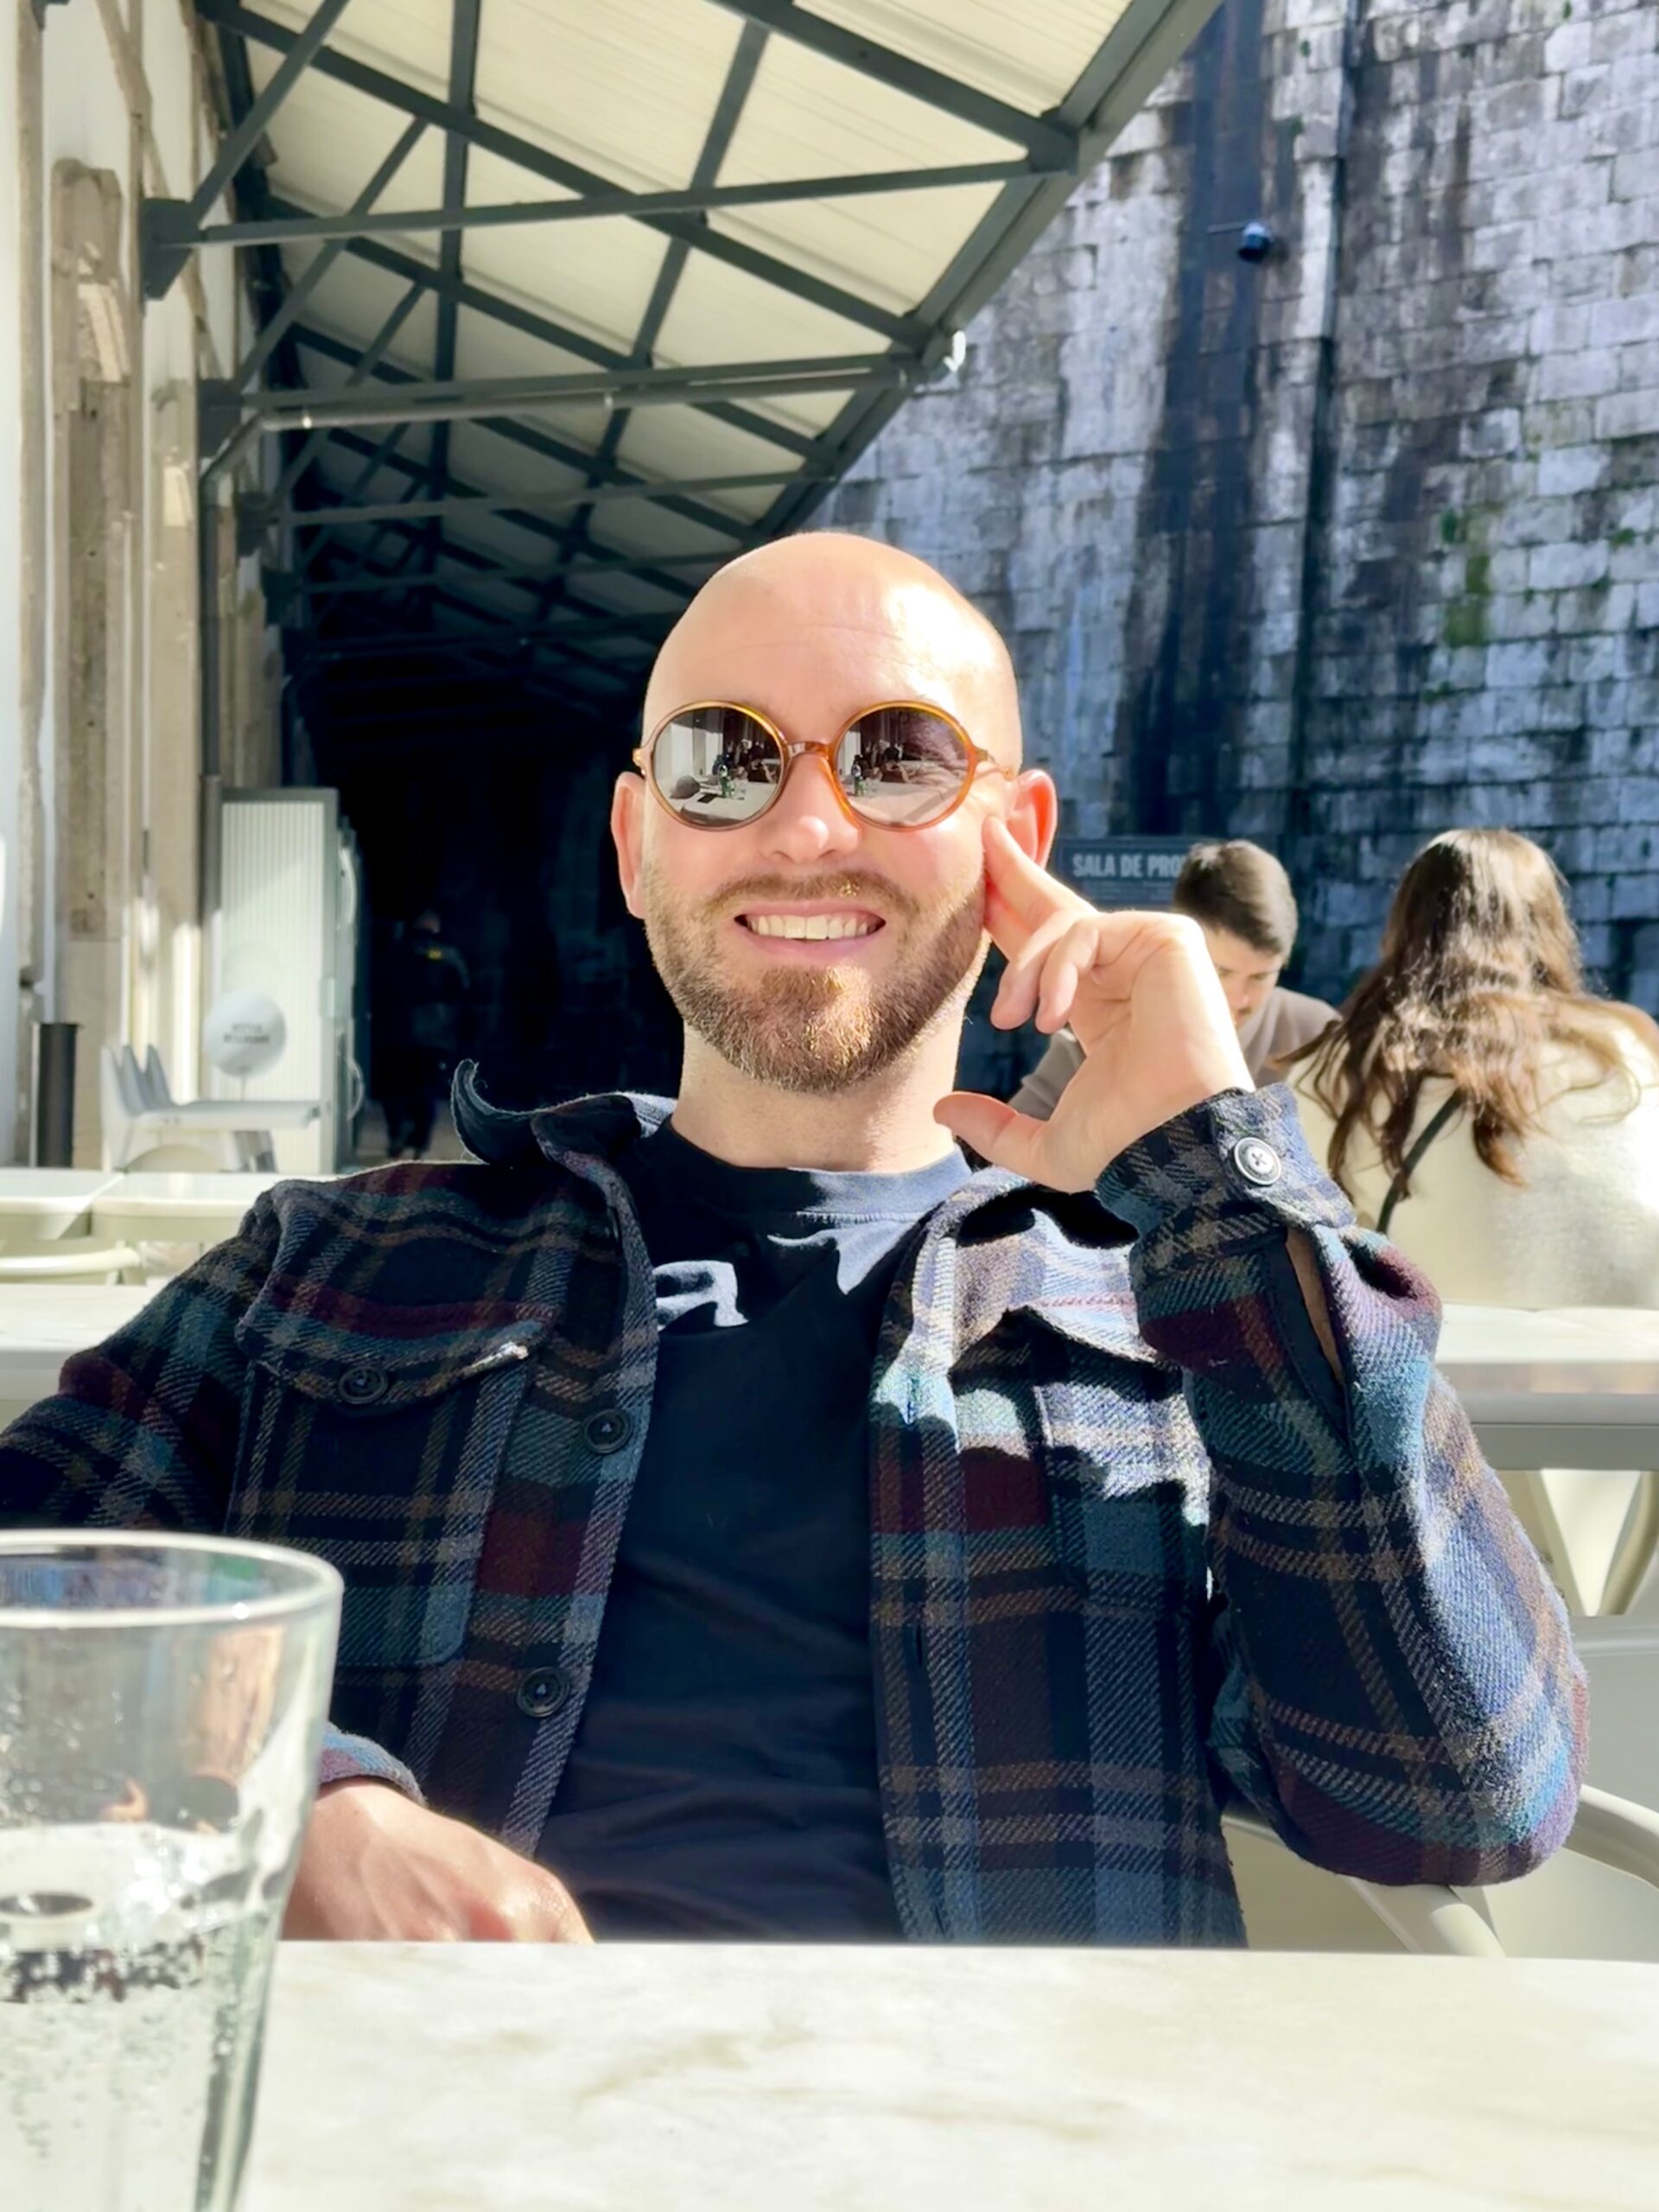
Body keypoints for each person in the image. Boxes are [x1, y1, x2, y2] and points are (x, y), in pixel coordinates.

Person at [0, 535, 1581, 1948]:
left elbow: (1459, 1792)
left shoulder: (1177, 1314)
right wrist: (296, 1798)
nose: (810, 826)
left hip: (1015, 2136)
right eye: (723, 760)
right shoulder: (342, 1260)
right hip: (431, 2128)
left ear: (1015, 832)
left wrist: (1216, 1178)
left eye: (897, 758)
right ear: (639, 843)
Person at [1287, 828, 1659, 1305]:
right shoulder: (1626, 1047)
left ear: (1405, 926)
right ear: (1548, 927)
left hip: (1449, 1346)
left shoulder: (1347, 1066)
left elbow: (1302, 1244)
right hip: (1634, 1344)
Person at [1011, 839, 1336, 1116]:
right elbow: (1006, 1152)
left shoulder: (1318, 1036)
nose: (1239, 999)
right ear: (1176, 948)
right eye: (1221, 971)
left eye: (1261, 976)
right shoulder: (1107, 1028)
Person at [378, 908, 471, 1159]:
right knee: (425, 1088)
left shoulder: (397, 951)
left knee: (395, 1087)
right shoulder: (448, 955)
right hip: (434, 1033)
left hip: (399, 1029)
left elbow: (382, 986)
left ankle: (397, 1133)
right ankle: (420, 1141)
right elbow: (462, 987)